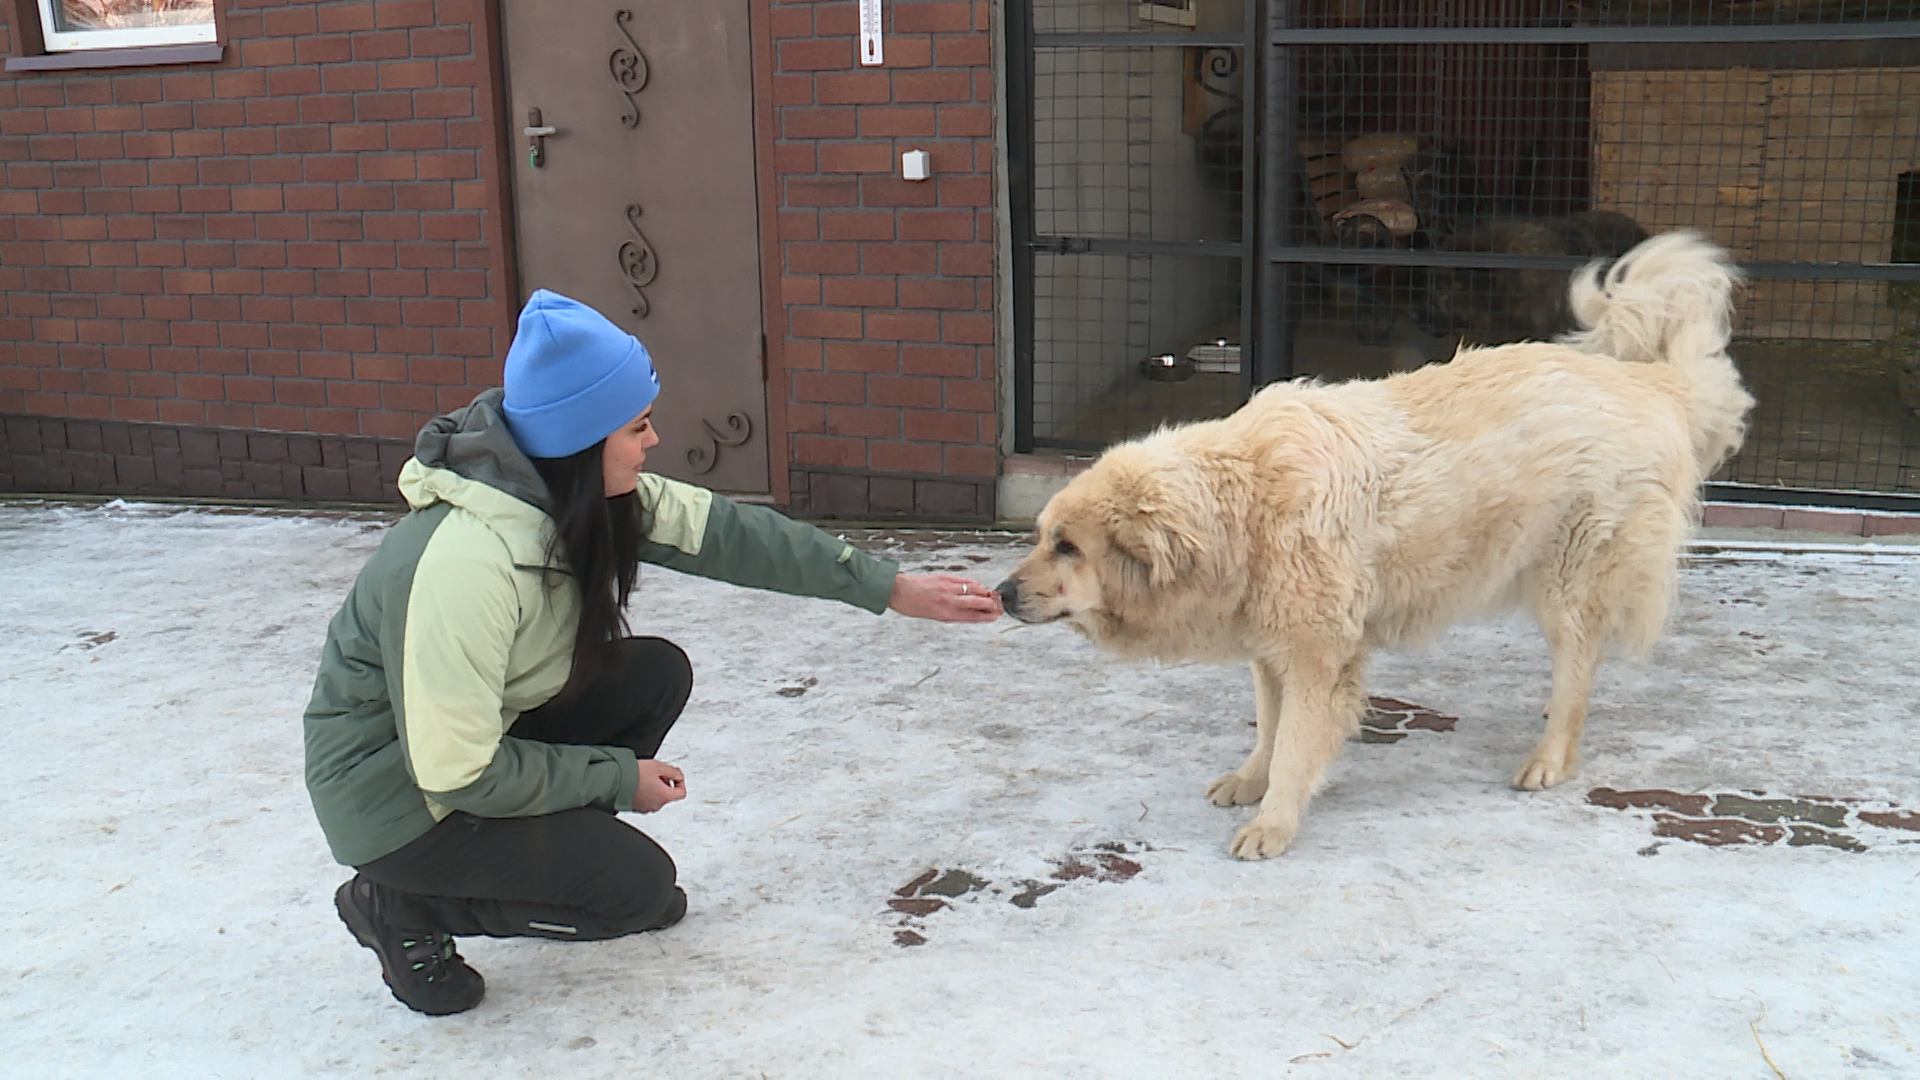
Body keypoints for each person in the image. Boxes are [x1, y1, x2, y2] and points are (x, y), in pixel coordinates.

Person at [304, 290, 1002, 1015]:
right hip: (402, 804)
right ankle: (401, 905)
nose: (653, 441)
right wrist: (613, 778)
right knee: (635, 896)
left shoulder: (568, 494)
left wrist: (889, 588)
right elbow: (455, 770)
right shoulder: (465, 565)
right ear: (580, 439)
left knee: (651, 674)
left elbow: (731, 535)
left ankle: (549, 860)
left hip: (467, 748)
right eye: (637, 426)